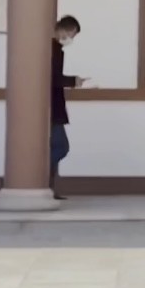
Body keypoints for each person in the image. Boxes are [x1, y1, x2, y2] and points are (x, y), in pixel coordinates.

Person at [52, 16, 89, 198]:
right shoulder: (52, 50)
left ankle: (49, 187)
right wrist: (73, 81)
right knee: (60, 146)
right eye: (71, 34)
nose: (70, 39)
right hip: (50, 107)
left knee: (53, 147)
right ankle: (35, 176)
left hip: (53, 105)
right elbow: (51, 78)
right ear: (62, 29)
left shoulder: (56, 49)